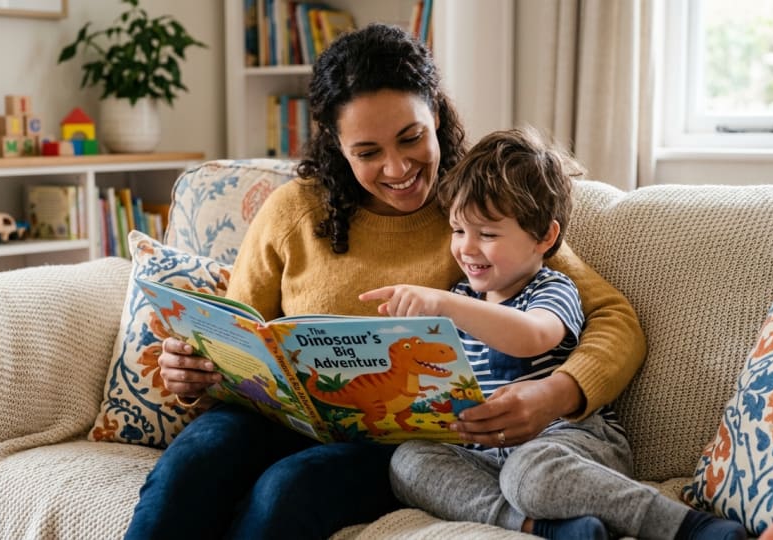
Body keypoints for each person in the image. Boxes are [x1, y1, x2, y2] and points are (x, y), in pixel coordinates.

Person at [126, 23, 646, 540]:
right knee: (189, 466)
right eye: (368, 152)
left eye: (411, 138)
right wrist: (195, 369)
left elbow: (612, 317)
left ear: (435, 115)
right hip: (276, 419)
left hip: (394, 443)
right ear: (337, 143)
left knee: (287, 490)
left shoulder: (482, 207)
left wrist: (558, 393)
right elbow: (235, 334)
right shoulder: (292, 211)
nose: (397, 168)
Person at [361, 128, 747, 540]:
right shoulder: (461, 295)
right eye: (458, 231)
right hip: (487, 455)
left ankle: (687, 526)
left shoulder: (550, 289)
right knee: (408, 463)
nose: (467, 248)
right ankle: (539, 527)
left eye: (487, 234)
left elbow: (531, 337)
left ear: (544, 237)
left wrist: (445, 305)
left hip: (568, 442)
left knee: (529, 476)